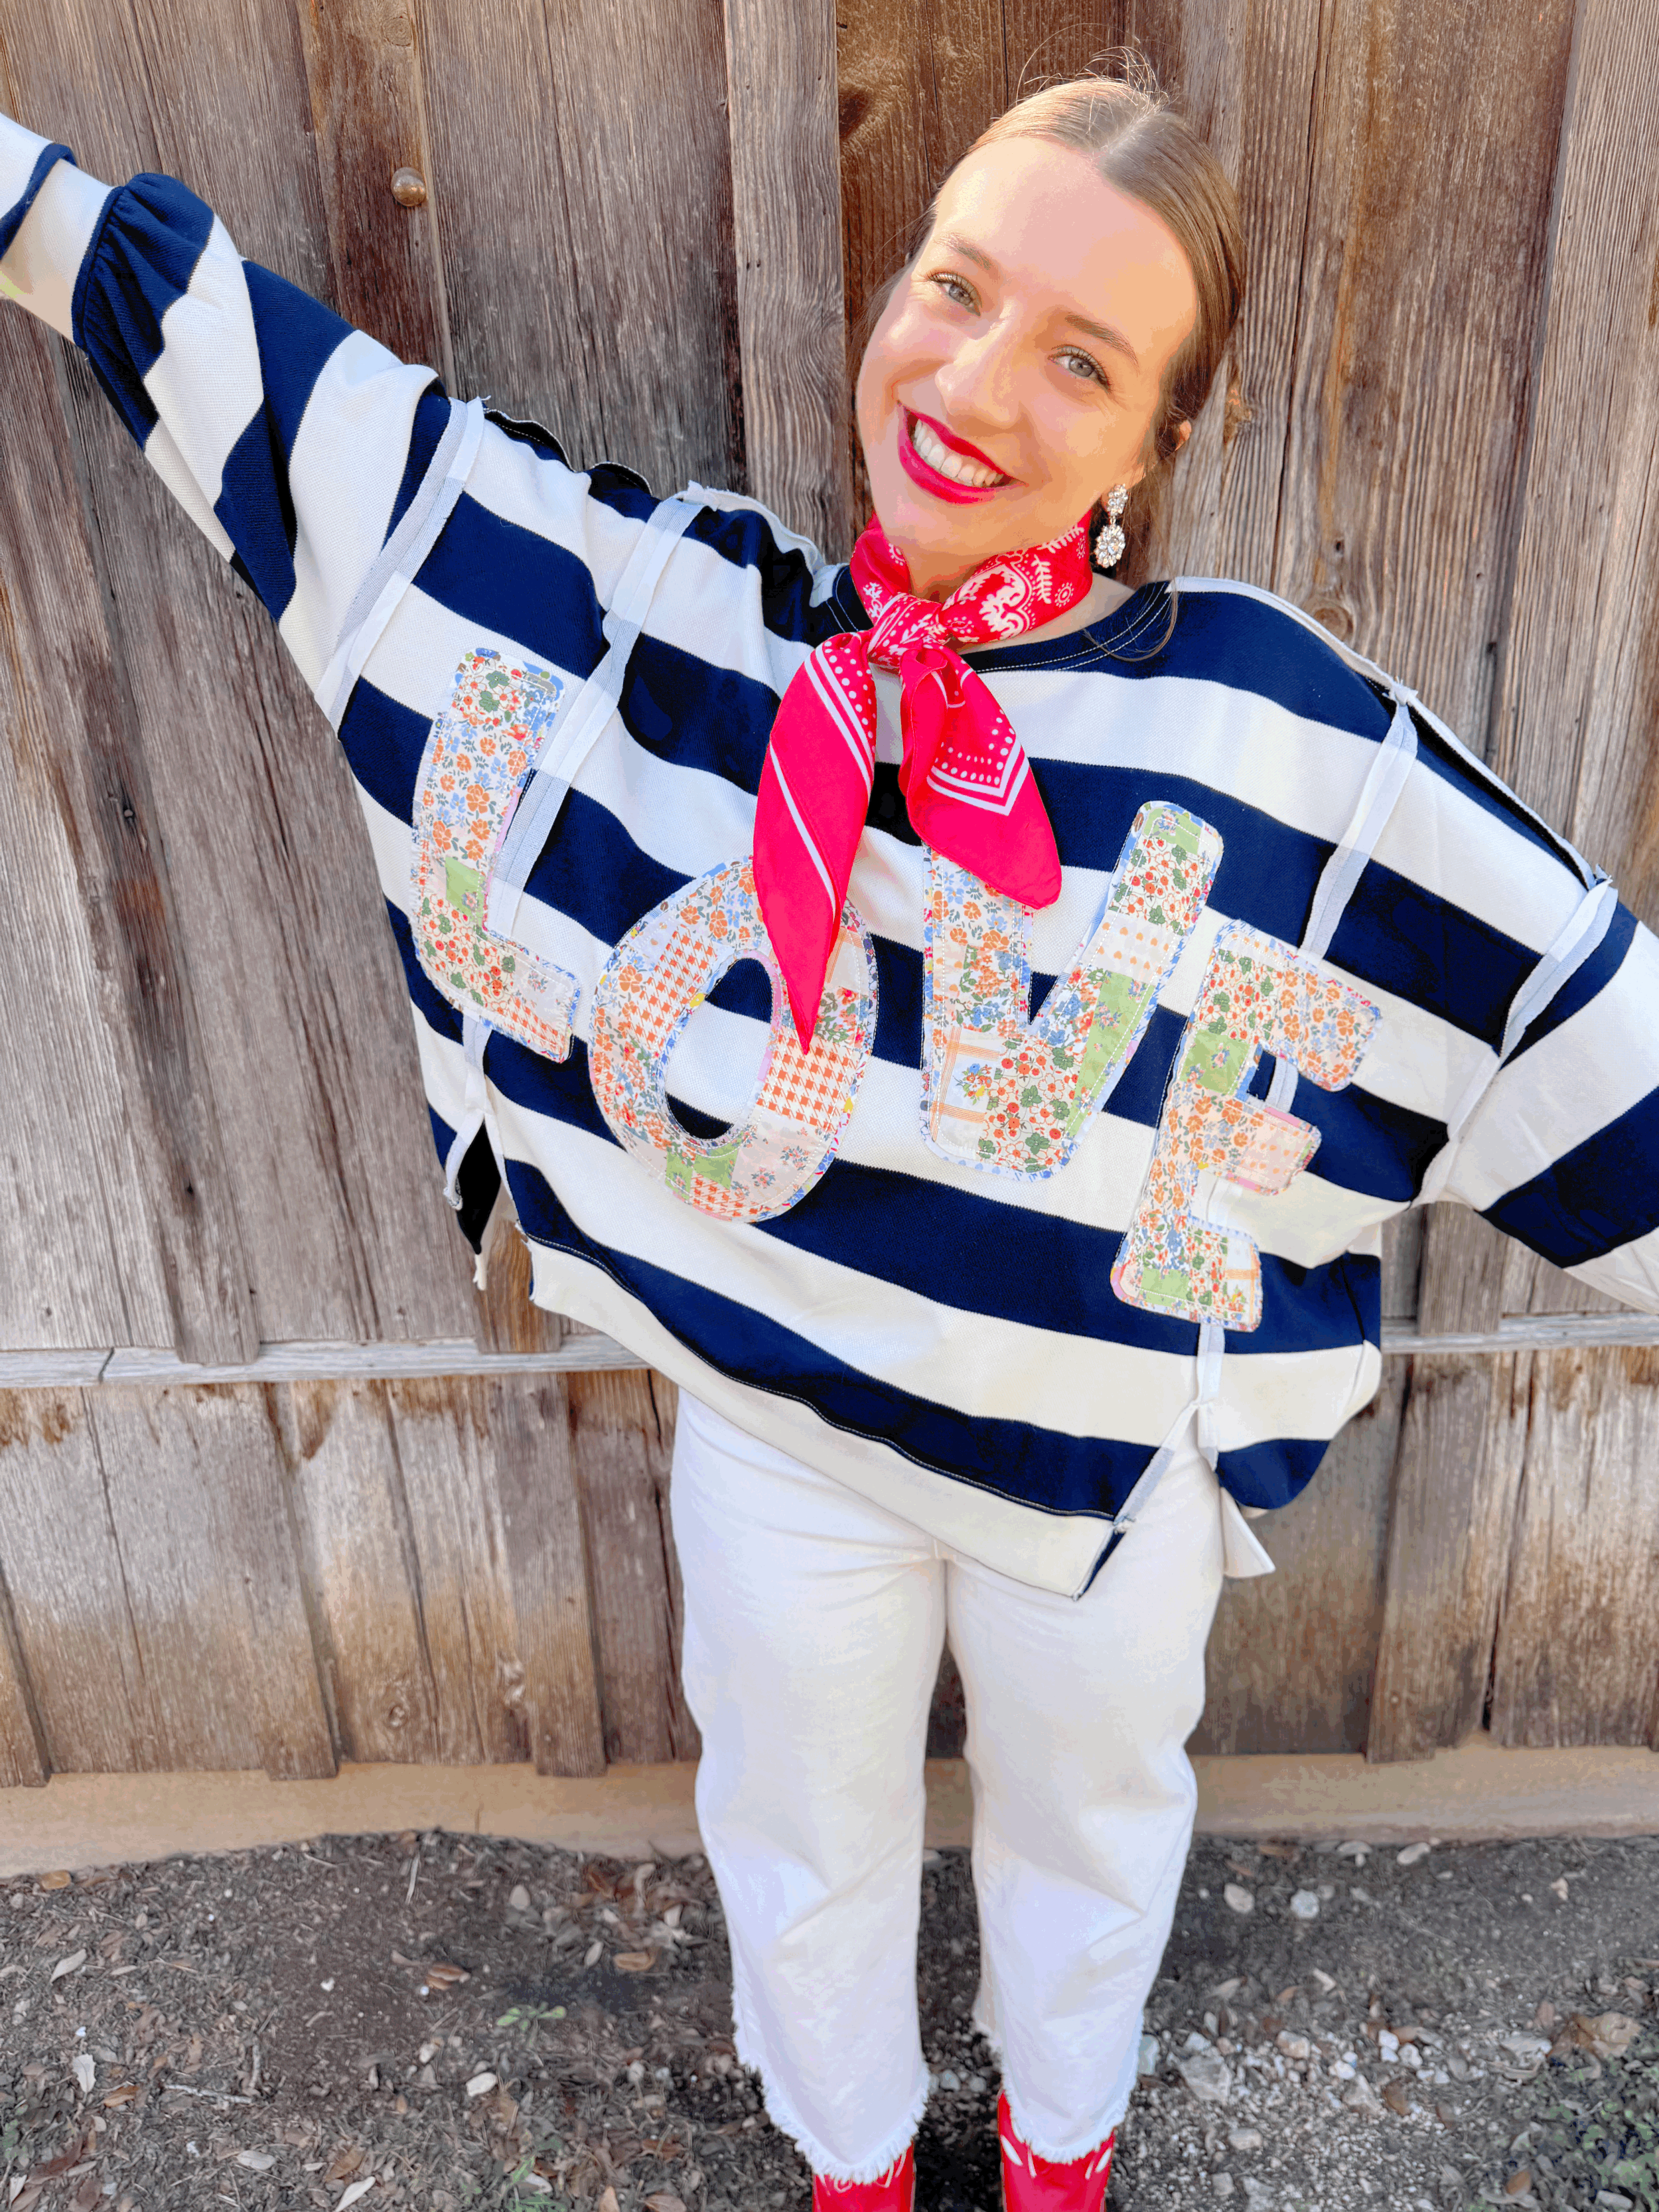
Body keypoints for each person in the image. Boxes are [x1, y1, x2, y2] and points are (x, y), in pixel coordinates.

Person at [3, 60, 1656, 2212]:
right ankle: (854, 2165)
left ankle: (1060, 2148)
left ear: (1159, 441)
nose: (974, 377)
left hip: (1098, 1483)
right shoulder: (675, 637)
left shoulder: (1276, 735)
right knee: (796, 1820)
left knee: (1092, 1815)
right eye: (952, 286)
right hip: (779, 1426)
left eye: (1080, 355)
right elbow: (336, 444)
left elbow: (1571, 1019)